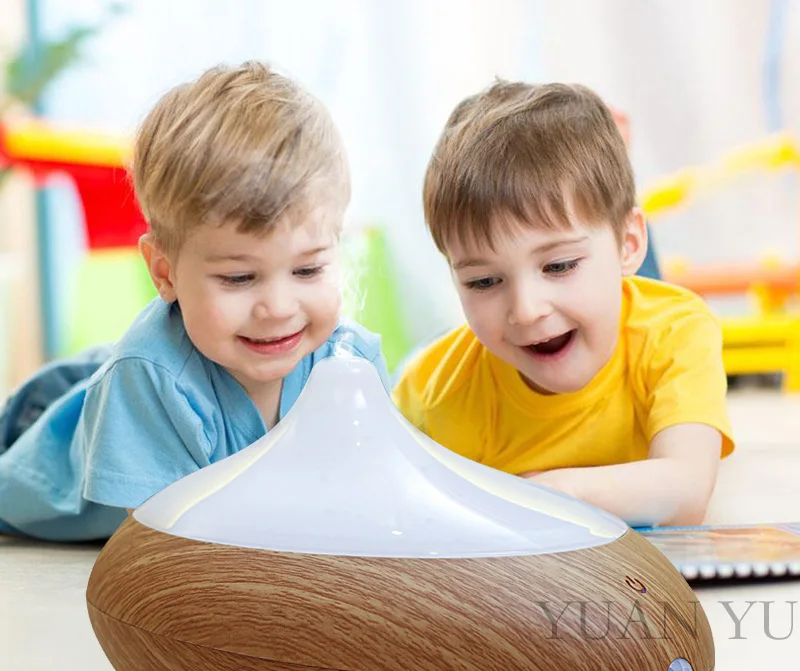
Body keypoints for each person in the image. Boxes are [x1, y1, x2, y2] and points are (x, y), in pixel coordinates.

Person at [0, 61, 388, 541]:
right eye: (239, 278)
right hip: (43, 449)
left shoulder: (352, 363)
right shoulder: (151, 379)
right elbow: (165, 546)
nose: (279, 307)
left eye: (308, 270)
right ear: (165, 273)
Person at [392, 80, 734, 528]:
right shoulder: (433, 392)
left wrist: (552, 494)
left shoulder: (676, 331)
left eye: (558, 266)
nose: (526, 310)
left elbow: (685, 491)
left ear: (630, 243)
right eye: (484, 281)